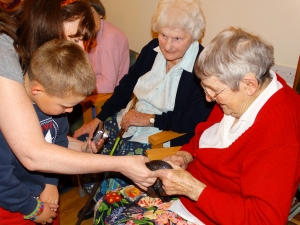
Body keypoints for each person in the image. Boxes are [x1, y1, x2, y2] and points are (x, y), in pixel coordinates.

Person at [94, 26, 300, 225]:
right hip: (191, 197)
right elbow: (205, 137)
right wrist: (185, 155)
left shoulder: (279, 135)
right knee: (108, 204)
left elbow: (264, 220)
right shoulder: (241, 93)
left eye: (214, 91)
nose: (209, 99)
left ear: (249, 85)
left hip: (213, 214)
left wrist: (194, 189)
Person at [0, 0, 155, 221]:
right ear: (48, 25)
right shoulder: (5, 53)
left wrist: (80, 151)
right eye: (75, 38)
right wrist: (121, 164)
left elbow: (50, 138)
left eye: (87, 41)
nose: (81, 50)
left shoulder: (49, 93)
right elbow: (31, 153)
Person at [74, 0, 214, 220]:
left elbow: (195, 120)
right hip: (128, 120)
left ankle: (111, 206)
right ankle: (99, 199)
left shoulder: (202, 65)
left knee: (124, 164)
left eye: (177, 38)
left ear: (194, 36)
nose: (167, 45)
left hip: (161, 135)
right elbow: (125, 87)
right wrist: (100, 118)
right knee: (93, 142)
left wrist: (149, 119)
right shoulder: (151, 50)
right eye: (164, 35)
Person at [0, 38, 101, 224]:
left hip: (44, 193)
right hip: (13, 204)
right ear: (38, 90)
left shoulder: (56, 111)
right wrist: (33, 209)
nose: (69, 112)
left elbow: (58, 142)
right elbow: (2, 178)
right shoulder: (7, 116)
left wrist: (50, 183)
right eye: (65, 105)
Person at [84, 0, 129, 94]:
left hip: (106, 97)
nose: (88, 20)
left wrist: (77, 89)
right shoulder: (90, 33)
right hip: (89, 85)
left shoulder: (109, 38)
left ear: (100, 13)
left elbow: (108, 86)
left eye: (90, 13)